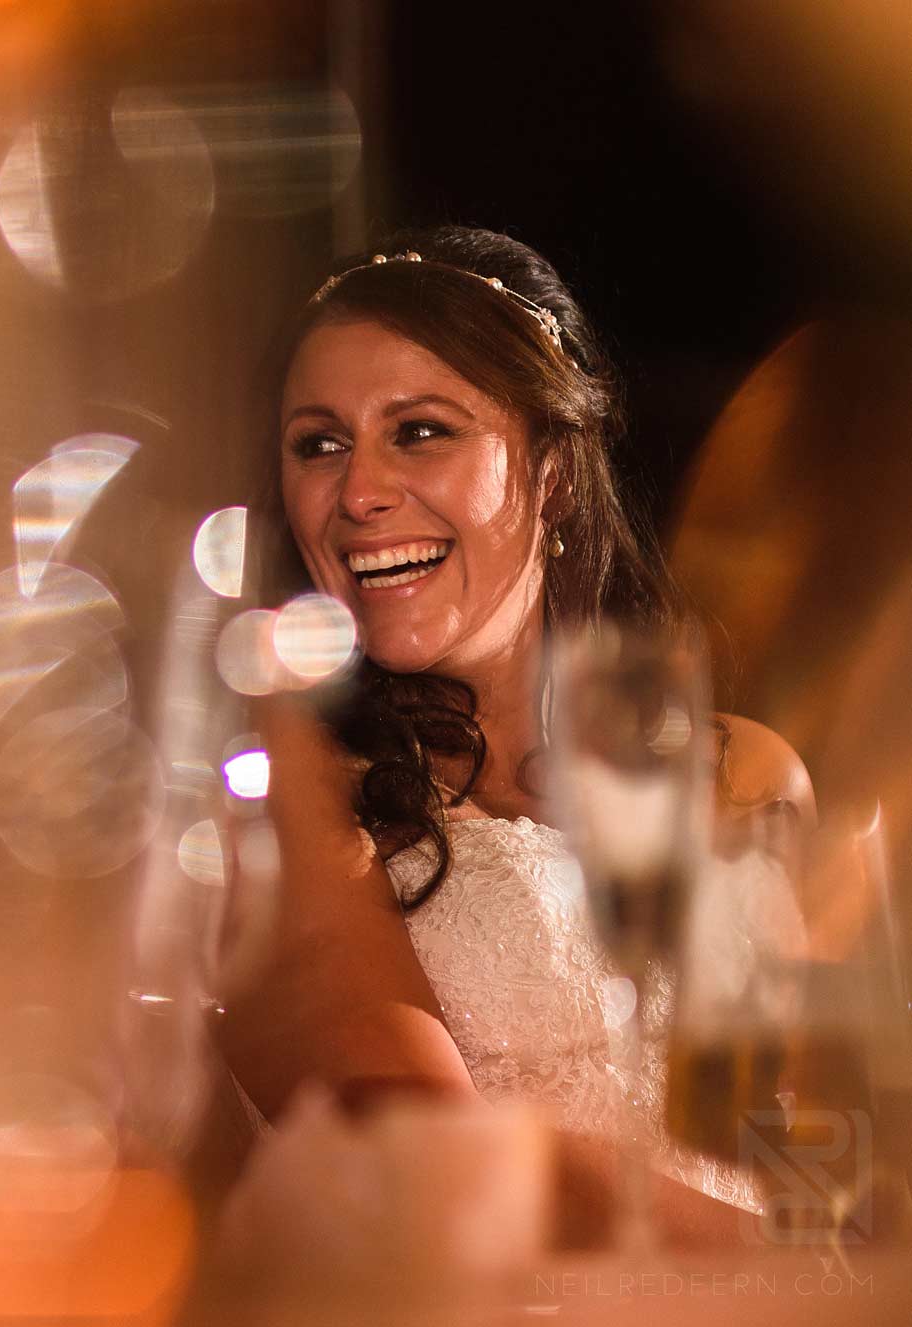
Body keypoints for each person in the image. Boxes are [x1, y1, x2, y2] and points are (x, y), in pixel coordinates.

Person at [218, 226, 815, 1247]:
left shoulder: (742, 773)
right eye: (317, 442)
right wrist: (823, 1294)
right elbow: (430, 1151)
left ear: (552, 477)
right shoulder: (281, 776)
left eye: (417, 431)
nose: (356, 492)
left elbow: (819, 1146)